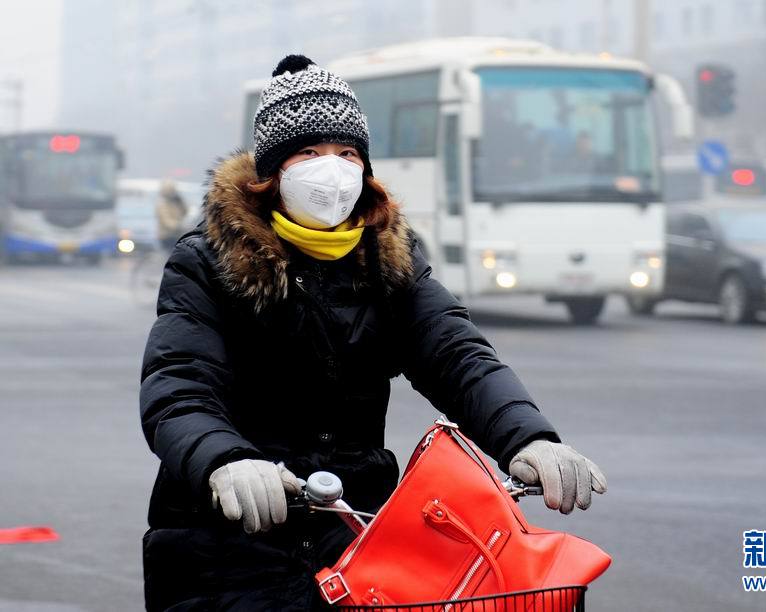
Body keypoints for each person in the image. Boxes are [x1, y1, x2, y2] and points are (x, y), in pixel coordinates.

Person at [139, 54, 607, 611]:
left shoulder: (390, 260)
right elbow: (179, 385)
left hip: (357, 533)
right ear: (271, 175)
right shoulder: (207, 263)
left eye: (347, 154)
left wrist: (527, 437)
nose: (330, 169)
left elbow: (459, 355)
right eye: (309, 153)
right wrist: (225, 461)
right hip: (227, 538)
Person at [155, 179, 188, 251]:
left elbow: (185, 212)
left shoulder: (175, 202)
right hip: (167, 236)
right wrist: (180, 226)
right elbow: (167, 222)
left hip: (177, 235)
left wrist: (180, 202)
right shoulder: (162, 204)